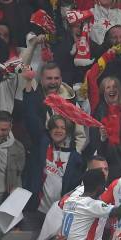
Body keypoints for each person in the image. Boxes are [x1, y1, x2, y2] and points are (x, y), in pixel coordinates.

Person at [22, 62, 87, 202]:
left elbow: (80, 134)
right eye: (49, 78)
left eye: (56, 78)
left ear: (61, 79)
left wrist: (75, 154)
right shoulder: (36, 99)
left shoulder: (70, 101)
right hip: (41, 156)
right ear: (41, 80)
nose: (53, 82)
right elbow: (31, 119)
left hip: (67, 160)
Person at [36, 114, 84, 215]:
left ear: (68, 132)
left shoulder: (75, 157)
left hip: (60, 212)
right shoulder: (43, 147)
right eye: (55, 127)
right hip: (38, 210)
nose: (59, 130)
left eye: (63, 128)